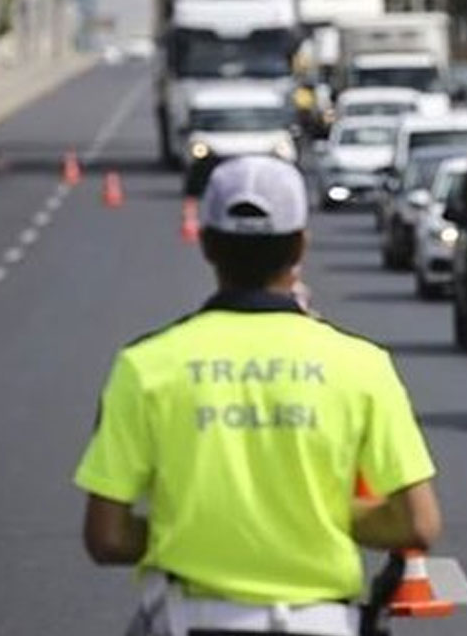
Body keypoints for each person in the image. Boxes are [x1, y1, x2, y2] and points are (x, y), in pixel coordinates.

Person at [74, 156, 442, 636]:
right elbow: (418, 523)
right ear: (301, 246)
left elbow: (106, 537)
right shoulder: (361, 365)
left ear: (206, 244)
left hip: (189, 620)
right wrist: (314, 516)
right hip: (323, 621)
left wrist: (194, 529)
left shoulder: (145, 366)